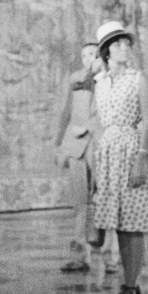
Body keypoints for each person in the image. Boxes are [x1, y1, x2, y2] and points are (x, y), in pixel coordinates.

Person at [91, 21, 148, 294]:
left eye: (127, 43)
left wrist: (141, 155)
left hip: (131, 148)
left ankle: (131, 288)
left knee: (133, 225)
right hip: (109, 152)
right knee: (120, 225)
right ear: (107, 50)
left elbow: (147, 119)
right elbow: (97, 119)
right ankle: (126, 286)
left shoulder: (139, 79)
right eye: (118, 44)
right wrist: (101, 156)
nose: (125, 48)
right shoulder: (99, 81)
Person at [57, 42, 101, 272]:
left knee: (106, 198)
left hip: (98, 142)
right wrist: (61, 146)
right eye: (83, 55)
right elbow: (66, 111)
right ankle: (80, 253)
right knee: (79, 201)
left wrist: (89, 126)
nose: (87, 58)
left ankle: (111, 254)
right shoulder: (77, 77)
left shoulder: (109, 80)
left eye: (92, 54)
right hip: (76, 144)